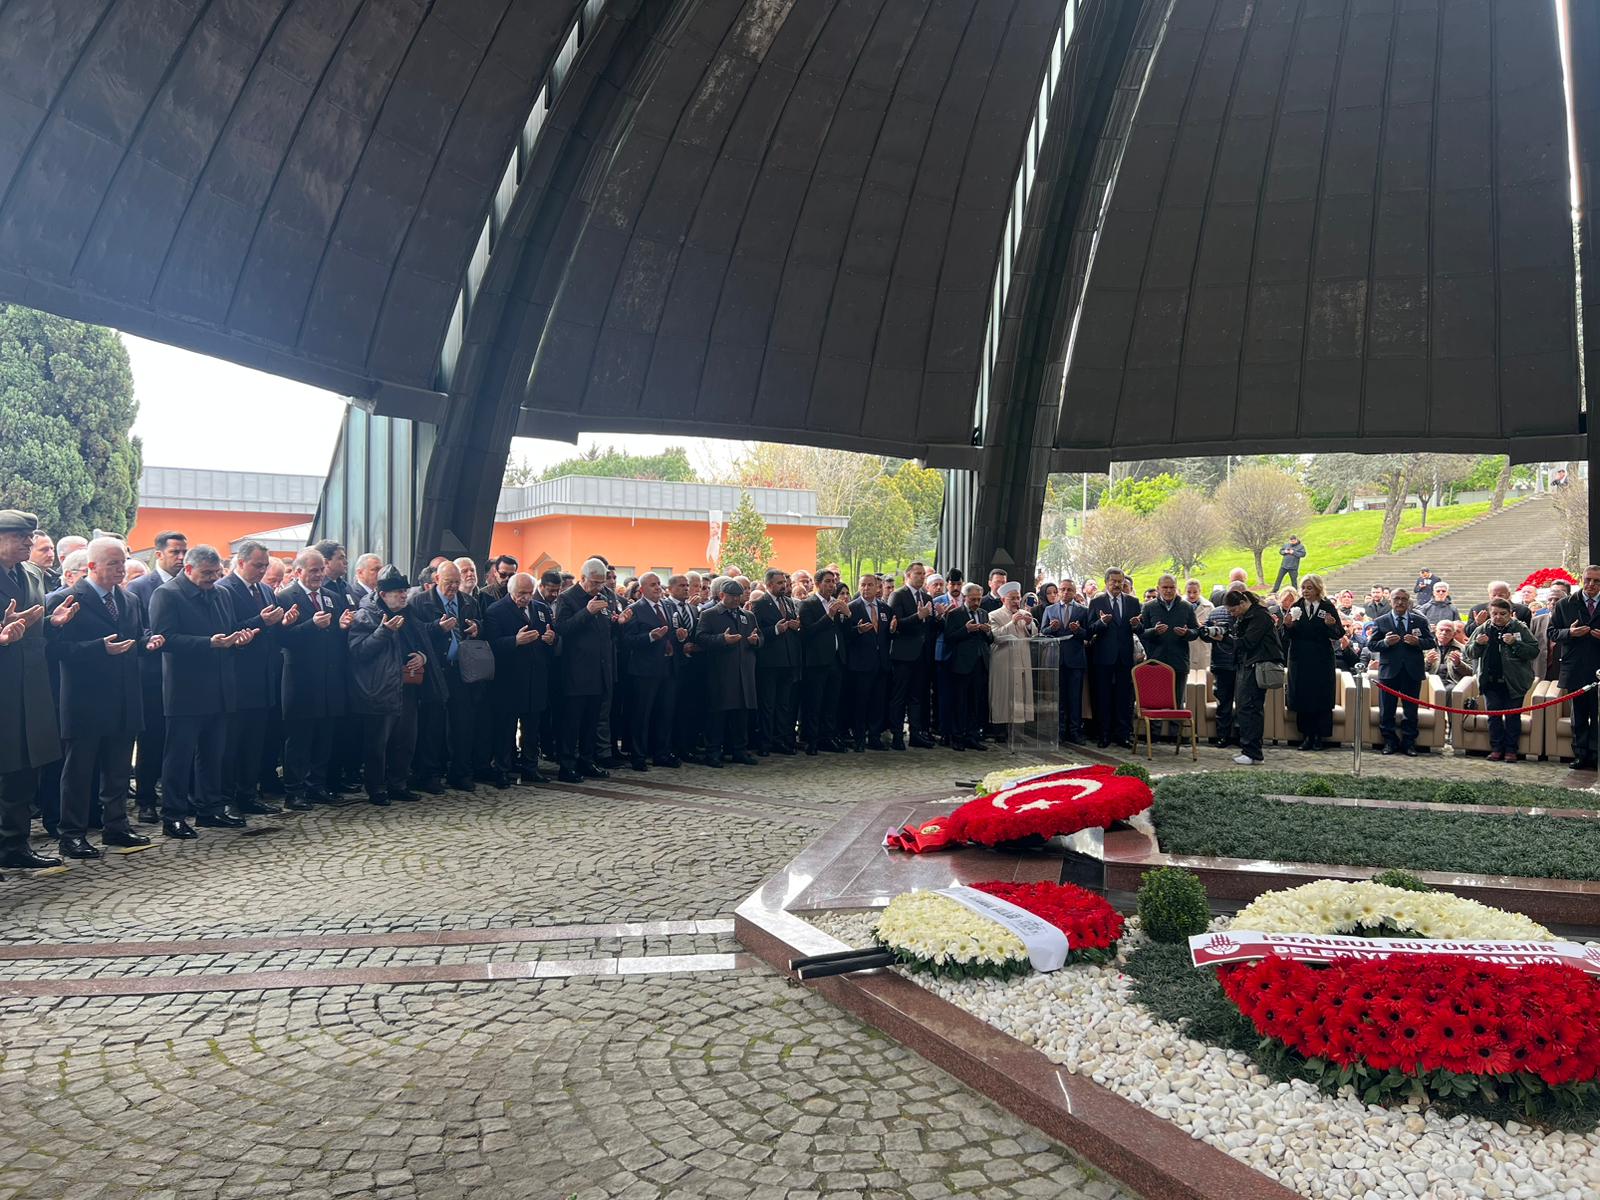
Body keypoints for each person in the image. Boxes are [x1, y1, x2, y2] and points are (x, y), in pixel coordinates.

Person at [46, 536, 156, 858]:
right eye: (113, 563)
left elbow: (135, 637)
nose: (121, 569)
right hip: (85, 700)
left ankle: (116, 826)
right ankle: (72, 834)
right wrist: (98, 649)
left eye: (123, 562)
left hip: (125, 697)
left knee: (118, 769)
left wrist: (148, 642)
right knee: (79, 772)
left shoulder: (128, 599)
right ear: (92, 566)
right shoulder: (66, 598)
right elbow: (53, 650)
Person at [149, 544, 256, 837]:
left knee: (213, 754)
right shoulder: (167, 594)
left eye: (216, 572)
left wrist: (238, 640)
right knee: (179, 756)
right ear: (188, 569)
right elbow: (165, 638)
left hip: (220, 687)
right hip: (186, 689)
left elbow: (229, 629)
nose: (213, 578)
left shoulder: (221, 593)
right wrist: (209, 643)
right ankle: (173, 815)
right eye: (207, 573)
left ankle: (210, 808)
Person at [0, 511, 70, 869]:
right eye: (20, 537)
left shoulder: (31, 573)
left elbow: (33, 628)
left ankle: (15, 846)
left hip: (31, 686)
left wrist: (52, 623)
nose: (29, 542)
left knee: (25, 769)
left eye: (30, 537)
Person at [348, 566, 438, 805]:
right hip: (380, 688)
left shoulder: (409, 613)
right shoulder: (366, 614)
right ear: (383, 594)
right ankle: (376, 788)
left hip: (407, 686)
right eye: (398, 592)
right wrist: (384, 631)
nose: (403, 595)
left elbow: (422, 643)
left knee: (406, 740)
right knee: (377, 745)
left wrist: (422, 657)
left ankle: (398, 784)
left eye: (405, 591)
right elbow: (359, 651)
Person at [216, 540, 292, 817]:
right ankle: (226, 798)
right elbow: (226, 629)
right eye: (257, 565)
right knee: (232, 744)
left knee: (254, 742)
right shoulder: (224, 589)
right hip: (238, 678)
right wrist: (260, 621)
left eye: (264, 565)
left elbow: (274, 634)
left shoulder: (266, 590)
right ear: (241, 562)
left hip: (264, 678)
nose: (262, 570)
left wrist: (285, 623)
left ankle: (248, 793)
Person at [276, 548, 351, 808]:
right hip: (301, 680)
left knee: (324, 736)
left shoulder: (331, 597)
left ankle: (316, 785)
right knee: (299, 738)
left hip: (329, 679)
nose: (319, 575)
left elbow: (336, 638)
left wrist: (342, 627)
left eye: (321, 570)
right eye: (313, 570)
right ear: (299, 572)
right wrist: (311, 625)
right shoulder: (285, 597)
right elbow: (281, 639)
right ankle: (294, 790)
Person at [409, 560, 488, 790]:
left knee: (463, 724)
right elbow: (413, 634)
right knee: (432, 725)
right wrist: (437, 627)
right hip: (435, 670)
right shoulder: (420, 602)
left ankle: (460, 773)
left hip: (461, 670)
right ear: (436, 580)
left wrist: (477, 627)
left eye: (456, 582)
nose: (453, 587)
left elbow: (482, 624)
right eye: (448, 582)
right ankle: (429, 774)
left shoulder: (469, 601)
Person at [128, 529, 186, 822]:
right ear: (159, 554)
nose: (181, 557)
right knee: (151, 739)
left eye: (184, 552)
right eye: (175, 552)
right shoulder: (140, 587)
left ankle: (177, 795)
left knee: (179, 741)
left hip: (183, 675)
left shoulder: (187, 585)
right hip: (152, 674)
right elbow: (136, 628)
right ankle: (146, 800)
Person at [482, 572, 556, 782]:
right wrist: (515, 641)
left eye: (530, 593)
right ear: (511, 591)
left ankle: (530, 767)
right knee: (506, 729)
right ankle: (502, 769)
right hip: (510, 680)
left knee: (532, 728)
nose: (526, 598)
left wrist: (552, 639)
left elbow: (552, 638)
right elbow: (491, 644)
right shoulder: (496, 611)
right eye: (521, 593)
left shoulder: (541, 609)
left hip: (536, 678)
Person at [553, 558, 615, 783]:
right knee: (572, 723)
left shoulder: (605, 596)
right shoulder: (567, 598)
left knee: (591, 722)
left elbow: (606, 633)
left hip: (600, 671)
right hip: (576, 673)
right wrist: (587, 612)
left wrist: (619, 622)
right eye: (595, 582)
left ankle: (587, 761)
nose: (599, 587)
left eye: (602, 582)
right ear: (582, 578)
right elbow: (562, 628)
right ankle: (567, 765)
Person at [1465, 597, 1539, 762]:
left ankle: (1511, 750)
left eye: (1502, 614)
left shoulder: (1520, 628)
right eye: (1494, 613)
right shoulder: (1483, 629)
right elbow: (1468, 653)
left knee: (1512, 717)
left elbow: (1534, 651)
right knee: (1493, 717)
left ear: (1510, 614)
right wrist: (1477, 644)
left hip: (1515, 682)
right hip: (1490, 682)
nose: (1498, 617)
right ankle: (1496, 749)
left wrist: (1515, 643)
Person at [695, 579, 760, 766]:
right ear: (722, 595)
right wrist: (722, 640)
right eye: (732, 596)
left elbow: (760, 637)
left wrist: (756, 640)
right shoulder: (709, 614)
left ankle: (740, 750)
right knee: (718, 715)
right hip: (721, 673)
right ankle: (713, 752)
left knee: (741, 715)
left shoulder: (748, 615)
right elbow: (700, 638)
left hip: (744, 673)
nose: (735, 599)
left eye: (738, 596)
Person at [1366, 587, 1436, 757]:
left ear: (1408, 601)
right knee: (1387, 710)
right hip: (1389, 672)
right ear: (1390, 601)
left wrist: (1418, 642)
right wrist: (1385, 643)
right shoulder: (1381, 621)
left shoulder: (1419, 621)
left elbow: (1431, 642)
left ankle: (1409, 743)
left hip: (1412, 672)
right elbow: (1371, 645)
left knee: (1411, 710)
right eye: (1396, 599)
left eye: (1403, 599)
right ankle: (1389, 742)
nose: (1400, 602)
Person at [621, 572, 679, 771]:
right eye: (653, 585)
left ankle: (661, 753)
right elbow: (627, 640)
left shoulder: (668, 606)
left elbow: (671, 632)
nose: (657, 588)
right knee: (642, 714)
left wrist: (678, 637)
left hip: (668, 667)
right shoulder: (634, 610)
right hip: (645, 670)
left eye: (659, 584)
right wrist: (650, 637)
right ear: (642, 589)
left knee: (665, 712)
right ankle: (638, 755)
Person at [1219, 589, 1283, 765]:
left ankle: (1252, 752)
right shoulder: (1248, 616)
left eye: (1233, 610)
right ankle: (1251, 751)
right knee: (1247, 708)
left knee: (1249, 708)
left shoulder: (1259, 617)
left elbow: (1247, 642)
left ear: (1242, 603)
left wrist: (1223, 638)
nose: (1232, 614)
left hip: (1255, 665)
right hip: (1248, 665)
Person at [1282, 573, 1342, 751]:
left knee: (1320, 696)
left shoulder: (1327, 606)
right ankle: (1306, 736)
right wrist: (1287, 626)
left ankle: (1319, 737)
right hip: (1300, 658)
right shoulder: (1296, 607)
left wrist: (1331, 625)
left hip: (1321, 659)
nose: (1305, 591)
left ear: (1318, 589)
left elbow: (1338, 633)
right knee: (1303, 696)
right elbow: (1285, 636)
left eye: (1309, 588)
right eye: (1303, 588)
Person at [1086, 567, 1141, 749]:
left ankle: (1123, 735)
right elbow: (1089, 630)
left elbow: (1140, 629)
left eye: (1120, 581)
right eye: (1114, 581)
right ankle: (1104, 735)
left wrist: (1137, 625)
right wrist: (1101, 622)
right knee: (1103, 697)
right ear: (1106, 582)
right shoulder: (1097, 602)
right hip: (1103, 657)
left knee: (1124, 697)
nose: (1117, 585)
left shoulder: (1133, 602)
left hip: (1125, 658)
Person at [1551, 565, 1600, 771]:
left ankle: (1596, 755)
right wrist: (1569, 633)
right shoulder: (1565, 604)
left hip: (1598, 668)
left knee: (1598, 714)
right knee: (1578, 714)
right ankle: (1580, 755)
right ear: (1582, 579)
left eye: (1596, 581)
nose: (1591, 584)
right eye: (1588, 580)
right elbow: (1552, 632)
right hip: (1575, 667)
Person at [1138, 574, 1197, 740]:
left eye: (1172, 587)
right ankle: (1154, 735)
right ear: (1158, 588)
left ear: (1176, 588)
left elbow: (1195, 631)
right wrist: (1154, 631)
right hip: (1156, 661)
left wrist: (1187, 633)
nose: (1169, 591)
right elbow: (1141, 632)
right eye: (1165, 587)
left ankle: (1175, 735)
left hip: (1179, 661)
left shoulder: (1186, 606)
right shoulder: (1148, 607)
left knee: (1177, 700)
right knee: (1155, 700)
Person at [798, 569, 849, 754]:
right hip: (817, 661)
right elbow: (808, 632)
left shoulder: (836, 603)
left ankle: (828, 737)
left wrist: (847, 615)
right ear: (817, 583)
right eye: (827, 581)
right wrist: (828, 616)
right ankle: (812, 740)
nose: (831, 585)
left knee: (831, 702)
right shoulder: (808, 604)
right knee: (814, 703)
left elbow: (843, 632)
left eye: (833, 581)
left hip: (836, 659)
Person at [751, 570, 801, 755]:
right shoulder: (760, 604)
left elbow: (792, 625)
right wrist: (776, 630)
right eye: (779, 583)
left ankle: (781, 740)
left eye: (784, 582)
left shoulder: (788, 602)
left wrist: (795, 626)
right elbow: (757, 632)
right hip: (769, 663)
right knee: (768, 705)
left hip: (788, 662)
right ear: (769, 585)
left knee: (783, 705)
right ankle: (765, 743)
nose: (783, 586)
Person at [887, 562, 936, 750]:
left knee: (917, 696)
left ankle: (916, 734)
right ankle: (897, 735)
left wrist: (937, 617)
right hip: (903, 654)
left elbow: (928, 627)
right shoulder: (898, 595)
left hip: (921, 654)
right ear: (908, 576)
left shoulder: (927, 596)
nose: (922, 577)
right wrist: (918, 616)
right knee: (899, 696)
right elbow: (896, 623)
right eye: (918, 573)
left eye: (923, 574)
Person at [943, 584, 994, 750]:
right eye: (973, 599)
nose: (976, 603)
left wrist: (987, 631)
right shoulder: (955, 614)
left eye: (979, 599)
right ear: (965, 598)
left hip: (980, 663)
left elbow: (990, 639)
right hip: (962, 664)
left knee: (976, 701)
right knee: (960, 701)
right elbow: (949, 638)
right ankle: (957, 736)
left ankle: (972, 736)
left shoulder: (983, 613)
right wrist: (966, 629)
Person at [845, 574, 893, 751]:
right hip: (861, 664)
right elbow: (845, 635)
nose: (866, 588)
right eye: (863, 585)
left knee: (878, 702)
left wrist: (893, 630)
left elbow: (887, 635)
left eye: (870, 585)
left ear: (877, 587)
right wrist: (857, 630)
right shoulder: (852, 608)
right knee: (860, 702)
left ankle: (874, 736)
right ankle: (859, 738)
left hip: (881, 663)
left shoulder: (885, 608)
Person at [1042, 578, 1090, 743]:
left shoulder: (1083, 610)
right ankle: (1060, 731)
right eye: (1062, 589)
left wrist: (1078, 630)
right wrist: (1052, 628)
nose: (1065, 592)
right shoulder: (1050, 609)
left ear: (1075, 592)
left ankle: (1075, 732)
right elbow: (1042, 632)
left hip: (1076, 660)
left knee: (1075, 698)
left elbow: (1089, 634)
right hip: (1057, 659)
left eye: (1069, 589)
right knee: (1060, 698)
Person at [987, 583, 1035, 732]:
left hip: (1022, 660)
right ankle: (1000, 730)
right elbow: (996, 637)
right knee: (1004, 694)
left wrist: (1029, 625)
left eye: (1018, 598)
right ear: (1003, 600)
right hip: (1003, 661)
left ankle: (1018, 730)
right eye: (1012, 598)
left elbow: (1034, 635)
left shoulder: (1025, 614)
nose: (1016, 601)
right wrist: (1012, 622)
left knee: (1021, 694)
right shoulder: (994, 615)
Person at [1202, 588, 1239, 747]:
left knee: (1242, 703)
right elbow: (1205, 635)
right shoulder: (1215, 613)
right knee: (1224, 702)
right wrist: (1208, 632)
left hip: (1240, 664)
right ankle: (1224, 735)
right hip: (1222, 664)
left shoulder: (1249, 614)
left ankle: (1235, 736)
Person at [1186, 580, 1214, 672]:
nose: (1192, 595)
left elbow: (1213, 625)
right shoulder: (1179, 605)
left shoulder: (1209, 606)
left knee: (1203, 675)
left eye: (1195, 592)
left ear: (1200, 591)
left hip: (1203, 646)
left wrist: (1204, 626)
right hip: (1185, 646)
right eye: (1189, 592)